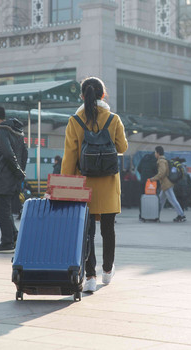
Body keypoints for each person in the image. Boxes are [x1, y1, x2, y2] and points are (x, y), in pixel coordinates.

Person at [61, 77, 128, 293]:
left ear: (82, 96)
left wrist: (64, 187)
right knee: (108, 230)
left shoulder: (75, 120)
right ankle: (107, 272)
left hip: (84, 186)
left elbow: (69, 157)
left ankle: (90, 276)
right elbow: (123, 147)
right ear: (103, 95)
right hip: (108, 184)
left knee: (86, 232)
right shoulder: (113, 118)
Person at [0, 106, 28, 253]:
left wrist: (18, 171)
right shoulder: (17, 131)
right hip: (13, 177)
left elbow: (7, 153)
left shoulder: (2, 130)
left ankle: (7, 242)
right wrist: (20, 172)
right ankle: (15, 236)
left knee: (2, 210)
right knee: (6, 209)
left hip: (3, 176)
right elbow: (24, 153)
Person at [151, 146, 186, 222]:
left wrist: (153, 179)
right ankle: (155, 215)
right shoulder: (164, 160)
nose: (154, 154)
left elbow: (162, 172)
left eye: (155, 152)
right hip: (165, 184)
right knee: (161, 201)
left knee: (173, 200)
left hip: (166, 184)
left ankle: (181, 215)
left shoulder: (161, 161)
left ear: (158, 153)